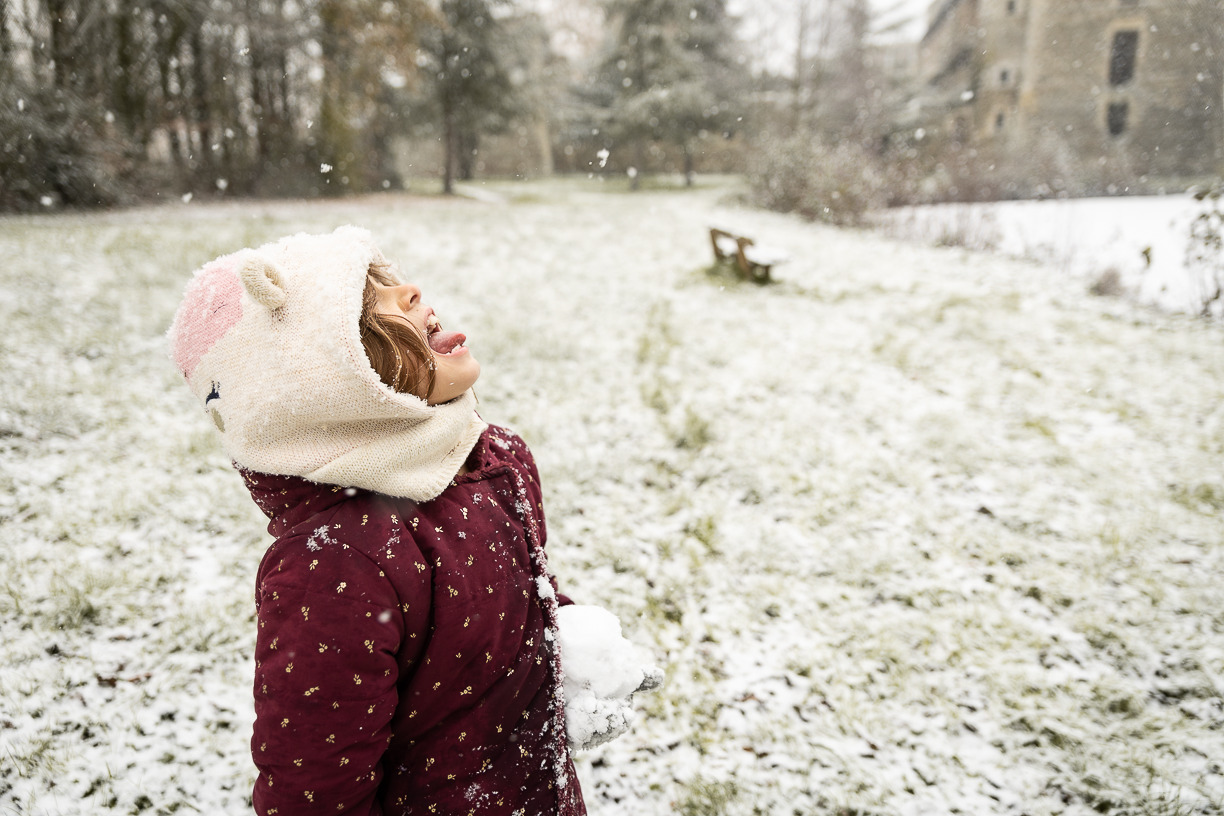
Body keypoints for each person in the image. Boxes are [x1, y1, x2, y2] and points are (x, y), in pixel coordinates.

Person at [167, 227, 658, 816]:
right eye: (364, 301)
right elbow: (316, 786)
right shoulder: (334, 562)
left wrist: (565, 647)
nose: (412, 291)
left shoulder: (496, 459)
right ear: (321, 387)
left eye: (394, 279)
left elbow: (522, 595)